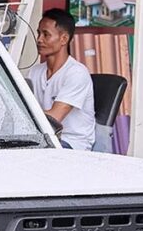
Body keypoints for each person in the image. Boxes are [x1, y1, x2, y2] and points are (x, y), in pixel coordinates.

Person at [27, 8, 95, 150]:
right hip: (44, 139)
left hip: (72, 143)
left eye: (46, 35)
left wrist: (19, 111)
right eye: (39, 33)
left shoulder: (76, 73)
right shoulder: (35, 72)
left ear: (64, 39)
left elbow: (54, 118)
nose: (39, 39)